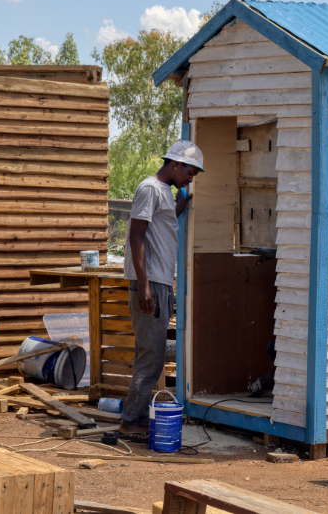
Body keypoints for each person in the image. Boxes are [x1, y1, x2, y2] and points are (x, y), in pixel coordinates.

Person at [118, 140, 203, 436]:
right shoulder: (150, 189)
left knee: (152, 355)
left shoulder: (164, 194)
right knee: (150, 355)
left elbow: (161, 225)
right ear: (175, 164)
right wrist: (144, 286)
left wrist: (182, 204)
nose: (190, 179)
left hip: (162, 281)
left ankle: (137, 418)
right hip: (151, 282)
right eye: (189, 172)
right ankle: (131, 421)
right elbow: (137, 237)